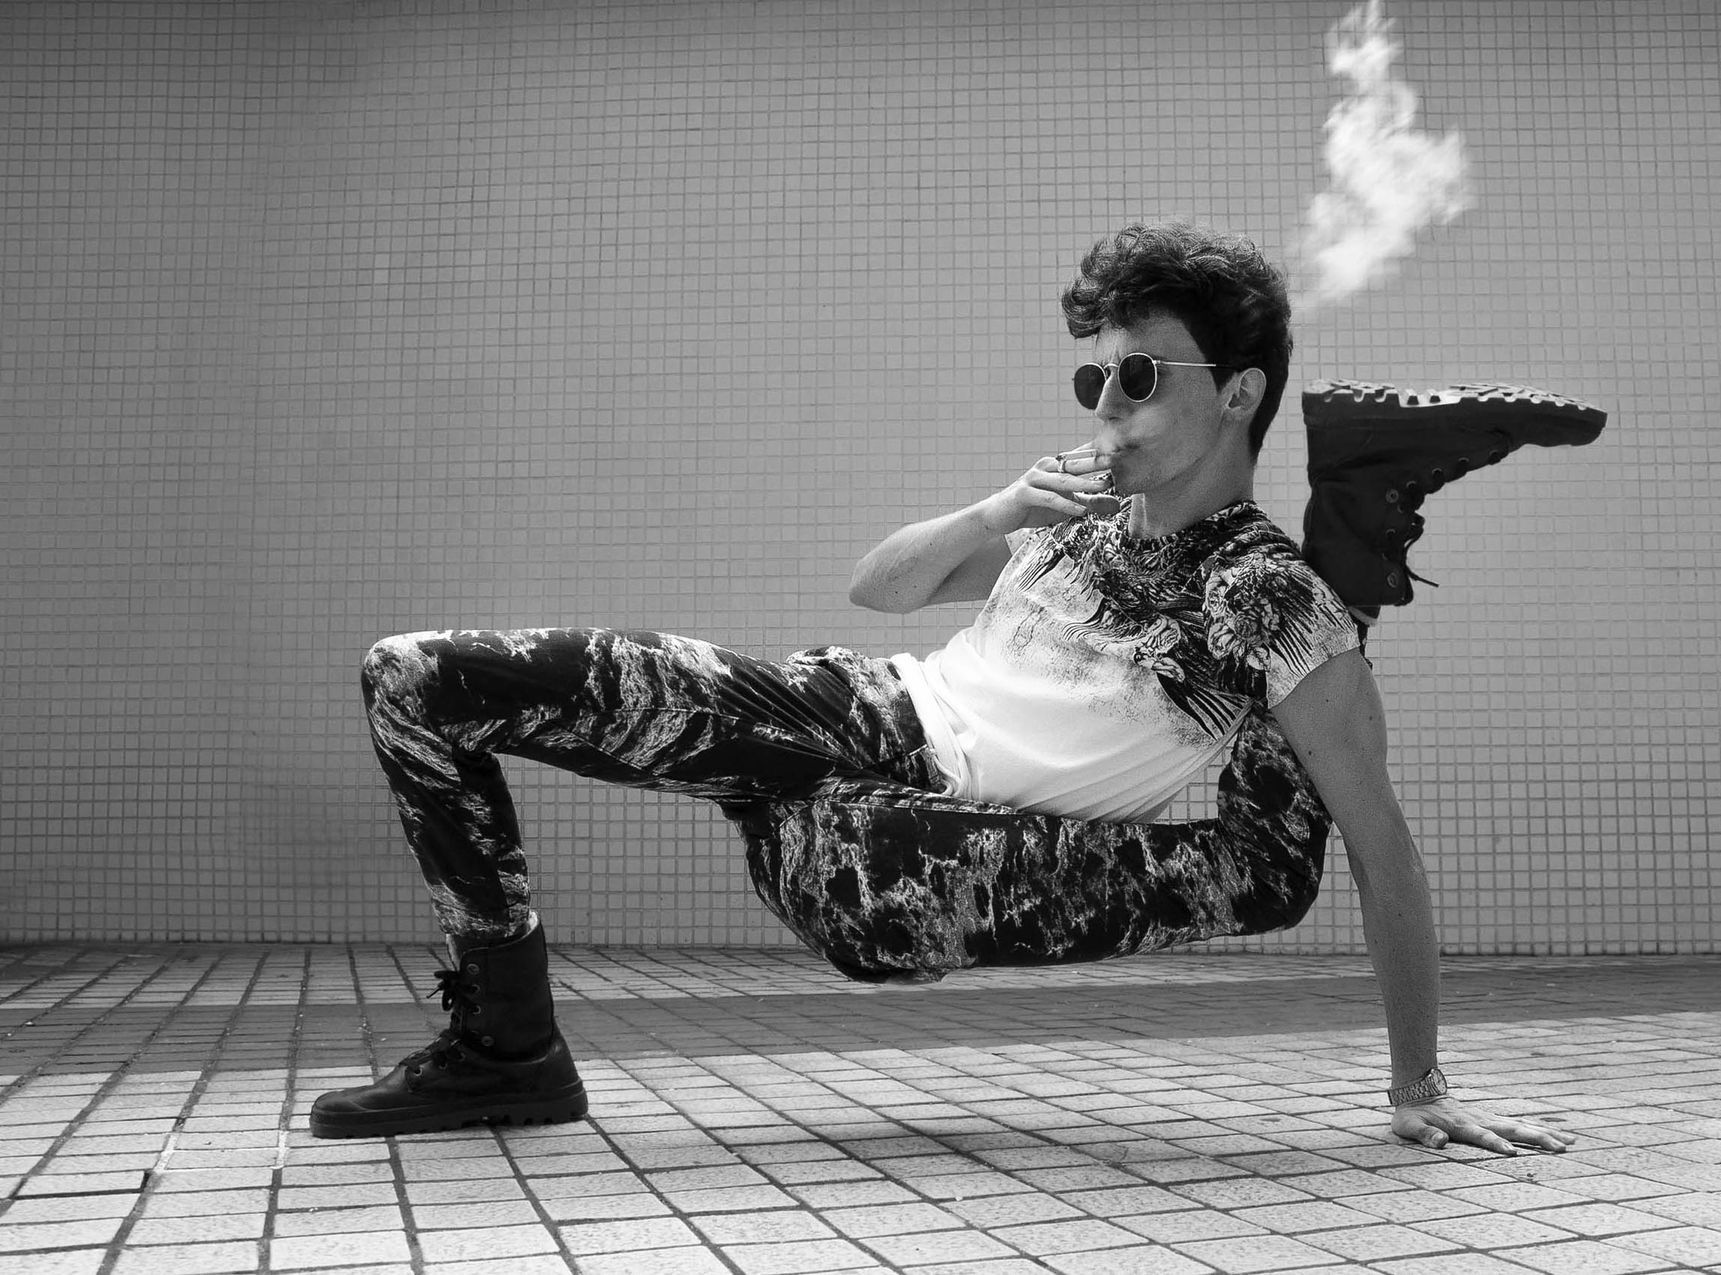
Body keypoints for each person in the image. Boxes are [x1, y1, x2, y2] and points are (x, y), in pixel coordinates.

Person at [310, 221, 1598, 1156]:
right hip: (855, 714)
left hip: (922, 805)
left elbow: (1376, 845)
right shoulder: (1066, 513)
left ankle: (1366, 508)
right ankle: (507, 1047)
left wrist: (1418, 1082)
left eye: (1140, 376)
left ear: (1243, 392)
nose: (1108, 405)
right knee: (416, 681)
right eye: (1092, 376)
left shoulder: (1269, 597)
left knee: (847, 870)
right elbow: (877, 590)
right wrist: (999, 506)